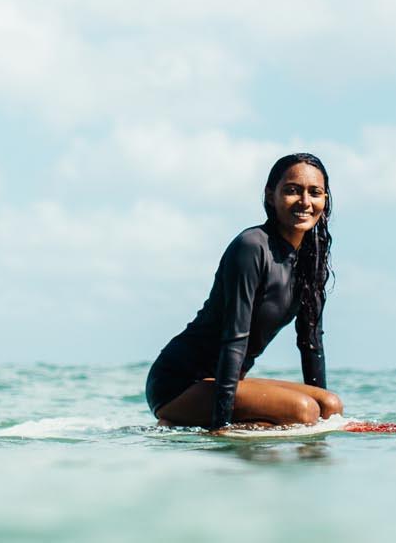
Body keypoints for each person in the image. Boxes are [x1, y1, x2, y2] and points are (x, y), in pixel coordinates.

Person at [145, 153, 344, 431]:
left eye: (315, 193)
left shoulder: (311, 260)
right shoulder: (251, 247)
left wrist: (323, 425)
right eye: (292, 191)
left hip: (225, 382)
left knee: (329, 406)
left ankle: (202, 421)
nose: (305, 202)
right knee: (303, 410)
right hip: (181, 384)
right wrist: (221, 426)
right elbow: (234, 339)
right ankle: (180, 417)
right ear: (270, 195)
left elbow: (311, 342)